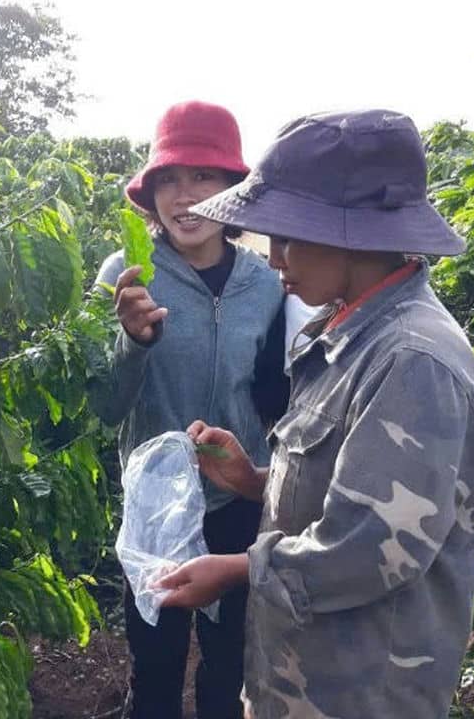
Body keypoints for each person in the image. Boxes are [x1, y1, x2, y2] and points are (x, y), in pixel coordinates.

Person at [156, 109, 474, 718]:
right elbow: (352, 488)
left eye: (288, 235)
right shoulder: (349, 331)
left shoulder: (413, 361)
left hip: (362, 691)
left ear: (352, 237)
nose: (274, 255)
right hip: (302, 679)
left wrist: (237, 569)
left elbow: (369, 546)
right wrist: (256, 482)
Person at [91, 101, 304, 719]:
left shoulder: (267, 284)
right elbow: (106, 406)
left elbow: (278, 396)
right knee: (155, 661)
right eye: (169, 178)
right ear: (150, 191)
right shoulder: (127, 274)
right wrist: (132, 342)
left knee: (229, 660)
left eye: (203, 176)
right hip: (156, 499)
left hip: (239, 497)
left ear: (234, 190)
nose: (184, 196)